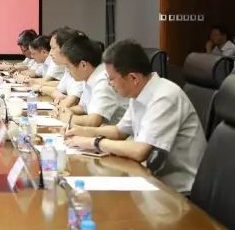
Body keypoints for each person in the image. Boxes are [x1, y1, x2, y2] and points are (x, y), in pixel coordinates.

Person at [65, 40, 206, 193]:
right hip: (151, 178)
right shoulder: (139, 93)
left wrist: (95, 142)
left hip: (178, 190)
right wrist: (82, 131)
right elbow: (119, 131)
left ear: (133, 78)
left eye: (111, 78)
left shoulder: (165, 96)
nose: (109, 84)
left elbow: (140, 151)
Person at [57, 35, 128, 127]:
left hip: (119, 134)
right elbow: (83, 107)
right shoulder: (89, 76)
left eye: (68, 66)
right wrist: (64, 110)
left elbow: (93, 121)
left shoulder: (104, 79)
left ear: (83, 65)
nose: (67, 70)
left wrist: (69, 118)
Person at [35, 27, 85, 108]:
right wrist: (61, 97)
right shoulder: (67, 68)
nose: (50, 53)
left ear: (66, 48)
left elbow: (69, 103)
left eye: (53, 48)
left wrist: (40, 87)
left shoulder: (80, 69)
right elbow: (57, 91)